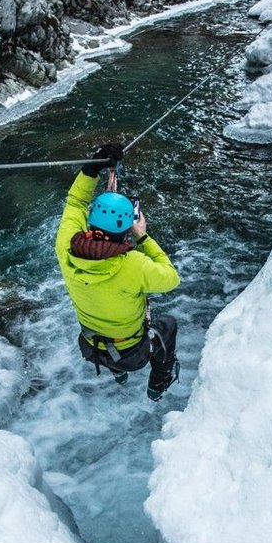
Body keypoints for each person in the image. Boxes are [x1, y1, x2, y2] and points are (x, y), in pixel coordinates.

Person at [55, 143, 182, 400]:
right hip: (132, 355)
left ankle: (117, 373)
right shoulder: (133, 264)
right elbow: (171, 277)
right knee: (167, 325)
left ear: (91, 222)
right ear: (127, 229)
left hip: (91, 348)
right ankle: (158, 383)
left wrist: (91, 169)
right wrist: (144, 238)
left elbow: (76, 202)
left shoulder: (66, 247)